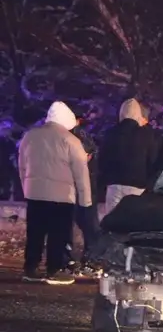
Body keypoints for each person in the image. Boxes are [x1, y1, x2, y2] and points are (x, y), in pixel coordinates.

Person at [18, 101, 92, 285]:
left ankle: (30, 267)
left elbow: (22, 166)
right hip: (62, 196)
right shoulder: (70, 141)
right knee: (57, 234)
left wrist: (26, 187)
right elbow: (81, 173)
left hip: (35, 194)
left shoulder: (30, 136)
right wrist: (85, 200)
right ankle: (53, 269)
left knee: (35, 232)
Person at [99, 98, 162, 213]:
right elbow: (152, 161)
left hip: (114, 185)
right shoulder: (146, 135)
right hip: (137, 186)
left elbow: (103, 159)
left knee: (112, 221)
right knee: (134, 221)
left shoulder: (111, 133)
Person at [67, 114, 102, 275]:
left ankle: (87, 259)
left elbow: (89, 157)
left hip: (82, 186)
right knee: (84, 224)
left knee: (87, 224)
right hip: (78, 187)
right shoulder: (77, 136)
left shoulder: (79, 136)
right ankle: (85, 259)